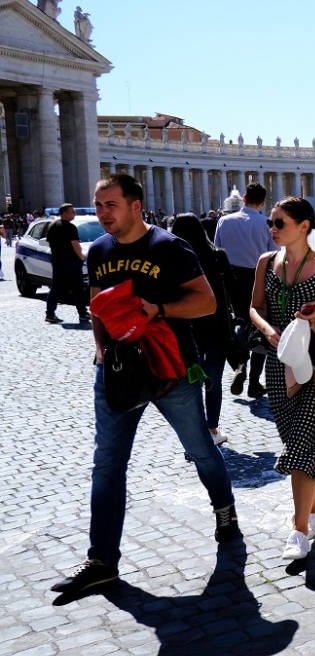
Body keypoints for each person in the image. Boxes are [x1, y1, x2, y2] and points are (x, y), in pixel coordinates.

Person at [52, 174, 240, 597]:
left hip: (173, 369)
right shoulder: (99, 251)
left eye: (111, 205)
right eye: (99, 205)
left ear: (135, 206)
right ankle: (101, 560)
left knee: (200, 449)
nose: (103, 213)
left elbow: (206, 302)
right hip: (119, 368)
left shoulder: (170, 247)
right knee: (107, 463)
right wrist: (101, 350)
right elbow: (97, 305)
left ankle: (224, 508)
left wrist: (159, 309)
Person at [249, 197, 315, 559]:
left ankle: (299, 529)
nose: (272, 228)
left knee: (300, 445)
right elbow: (254, 307)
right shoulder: (266, 262)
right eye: (271, 223)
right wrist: (268, 330)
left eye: (279, 223)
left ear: (304, 226)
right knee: (298, 442)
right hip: (279, 364)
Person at [171, 213, 236, 446]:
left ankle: (193, 432)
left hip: (186, 326)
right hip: (217, 325)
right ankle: (212, 429)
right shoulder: (217, 255)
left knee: (190, 380)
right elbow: (232, 289)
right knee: (213, 379)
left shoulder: (172, 258)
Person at [215, 183, 275, 399]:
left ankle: (240, 364)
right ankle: (255, 382)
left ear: (244, 198)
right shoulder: (266, 224)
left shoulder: (224, 221)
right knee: (260, 325)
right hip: (258, 277)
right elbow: (274, 257)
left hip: (231, 280)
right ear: (263, 202)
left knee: (238, 322)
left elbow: (217, 252)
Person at [45, 203, 90, 324]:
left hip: (57, 261)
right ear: (64, 213)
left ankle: (50, 313)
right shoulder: (70, 227)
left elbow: (49, 243)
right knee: (78, 288)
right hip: (71, 261)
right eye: (72, 212)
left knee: (55, 288)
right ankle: (82, 313)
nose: (74, 214)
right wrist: (81, 257)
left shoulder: (52, 225)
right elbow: (75, 245)